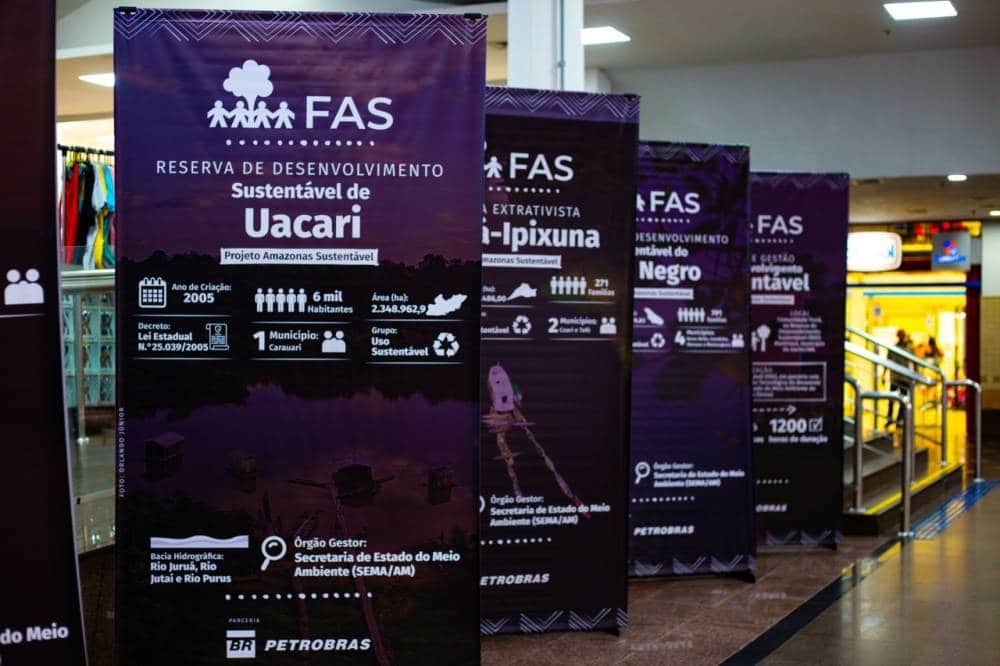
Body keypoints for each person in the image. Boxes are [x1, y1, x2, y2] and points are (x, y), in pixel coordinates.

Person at [885, 329, 914, 428]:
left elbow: (913, 362)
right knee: (891, 400)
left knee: (902, 400)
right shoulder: (894, 348)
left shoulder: (908, 349)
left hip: (904, 378)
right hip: (895, 377)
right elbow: (887, 361)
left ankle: (898, 420)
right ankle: (890, 419)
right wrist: (884, 374)